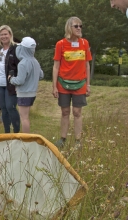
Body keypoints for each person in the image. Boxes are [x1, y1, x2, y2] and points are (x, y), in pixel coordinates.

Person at [52, 17, 92, 148]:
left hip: (80, 84)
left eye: (81, 26)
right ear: (69, 27)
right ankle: (62, 139)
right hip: (63, 83)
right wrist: (54, 86)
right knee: (65, 112)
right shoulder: (61, 44)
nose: (79, 28)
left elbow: (87, 65)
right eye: (76, 26)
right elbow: (56, 66)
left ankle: (78, 141)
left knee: (77, 112)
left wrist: (88, 84)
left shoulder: (85, 43)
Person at [8, 37, 44, 133]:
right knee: (26, 117)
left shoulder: (22, 63)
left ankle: (25, 140)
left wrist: (11, 79)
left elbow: (20, 80)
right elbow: (41, 75)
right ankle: (26, 138)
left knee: (24, 118)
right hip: (32, 93)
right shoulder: (35, 61)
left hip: (24, 93)